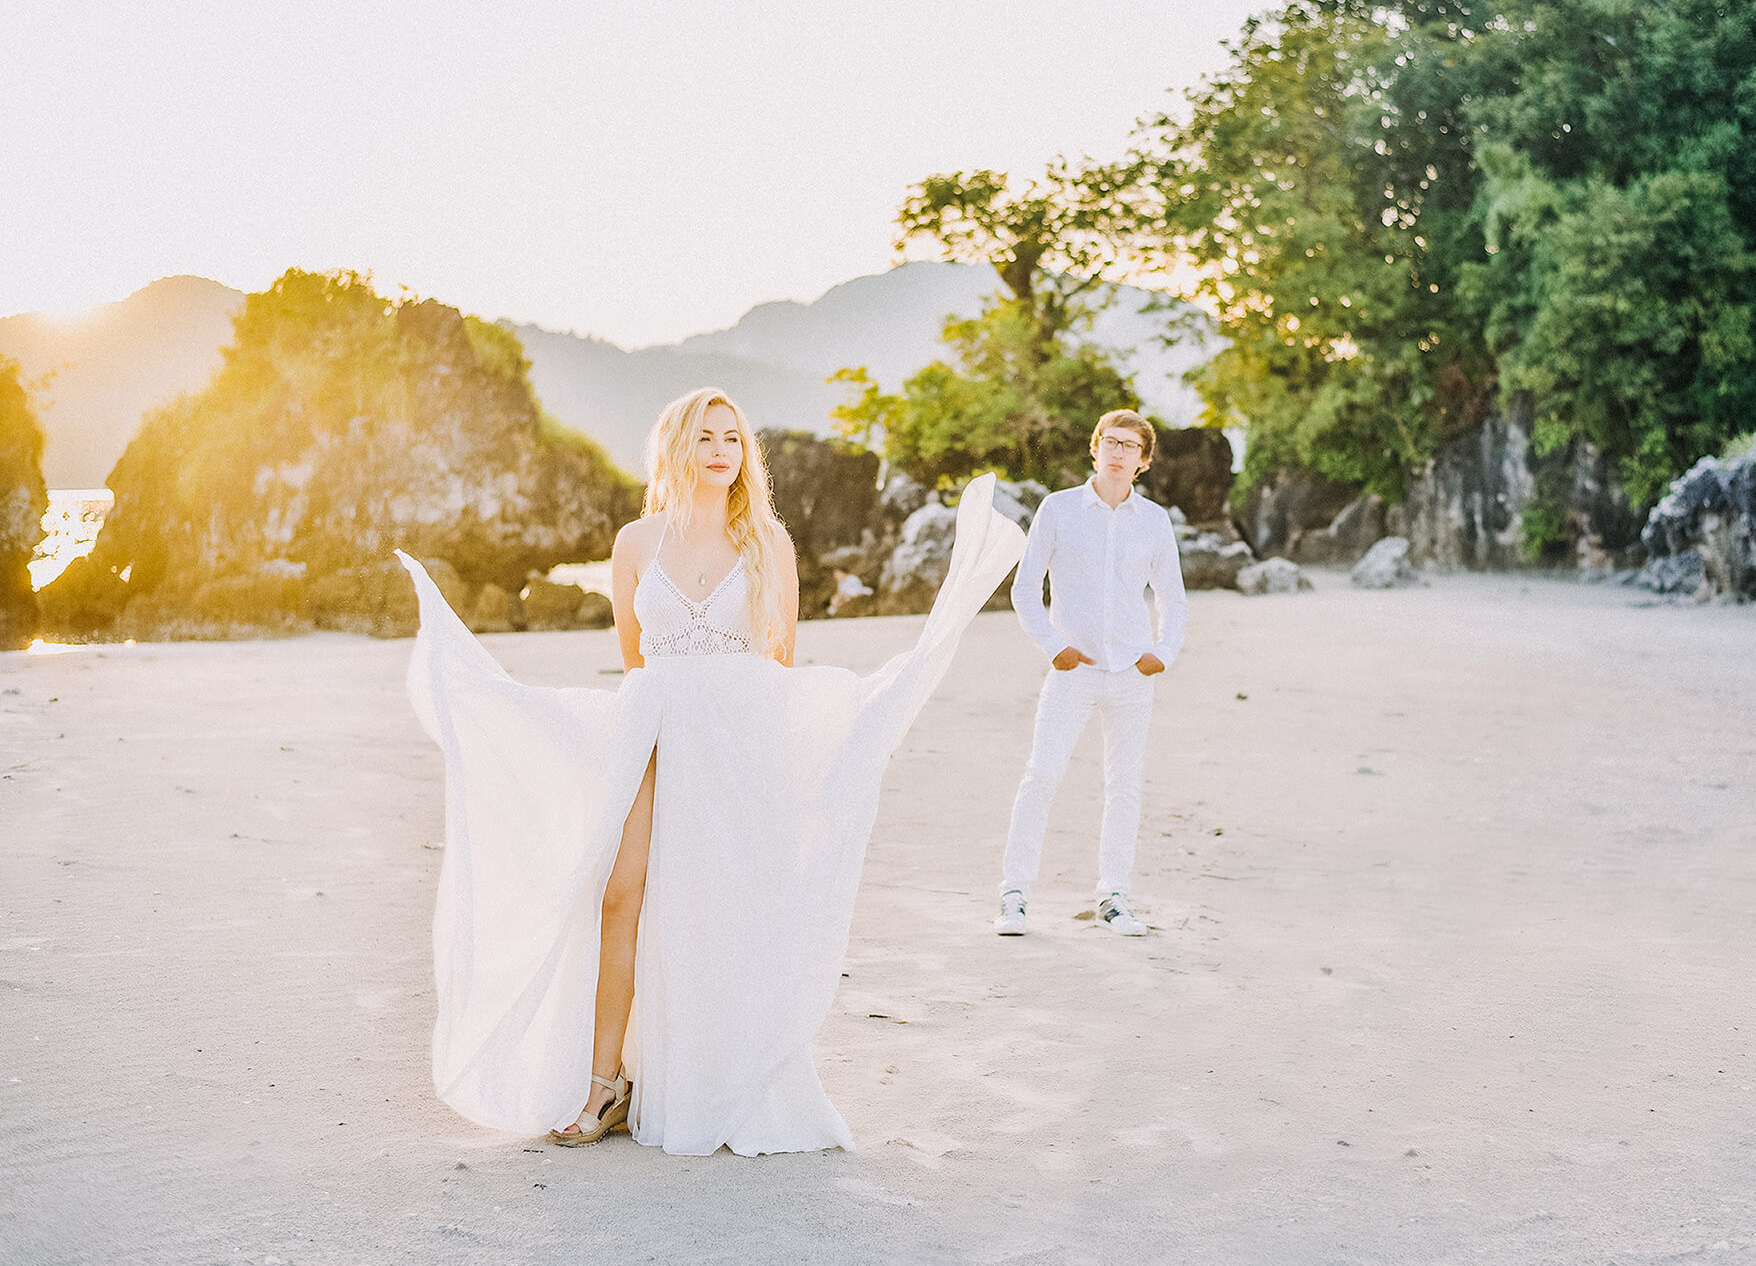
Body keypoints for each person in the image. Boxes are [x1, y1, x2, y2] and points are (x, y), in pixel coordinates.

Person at [399, 387, 1024, 1156]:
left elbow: (782, 659)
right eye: (705, 436)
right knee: (619, 894)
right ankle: (605, 1086)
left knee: (720, 905)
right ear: (677, 449)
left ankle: (714, 1073)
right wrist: (674, 707)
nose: (722, 448)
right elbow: (635, 655)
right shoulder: (635, 543)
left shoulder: (767, 542)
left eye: (733, 436)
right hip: (652, 729)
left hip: (737, 739)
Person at [995, 410, 1187, 938]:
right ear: (1095, 447)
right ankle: (1014, 897)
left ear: (1143, 462)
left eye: (1131, 446)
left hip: (1131, 672)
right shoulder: (1057, 510)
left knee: (1123, 786)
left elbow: (1172, 597)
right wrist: (1054, 647)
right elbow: (1025, 588)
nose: (1119, 452)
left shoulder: (1154, 521)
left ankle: (1114, 897)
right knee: (1042, 775)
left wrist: (1163, 653)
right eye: (1111, 442)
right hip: (1073, 670)